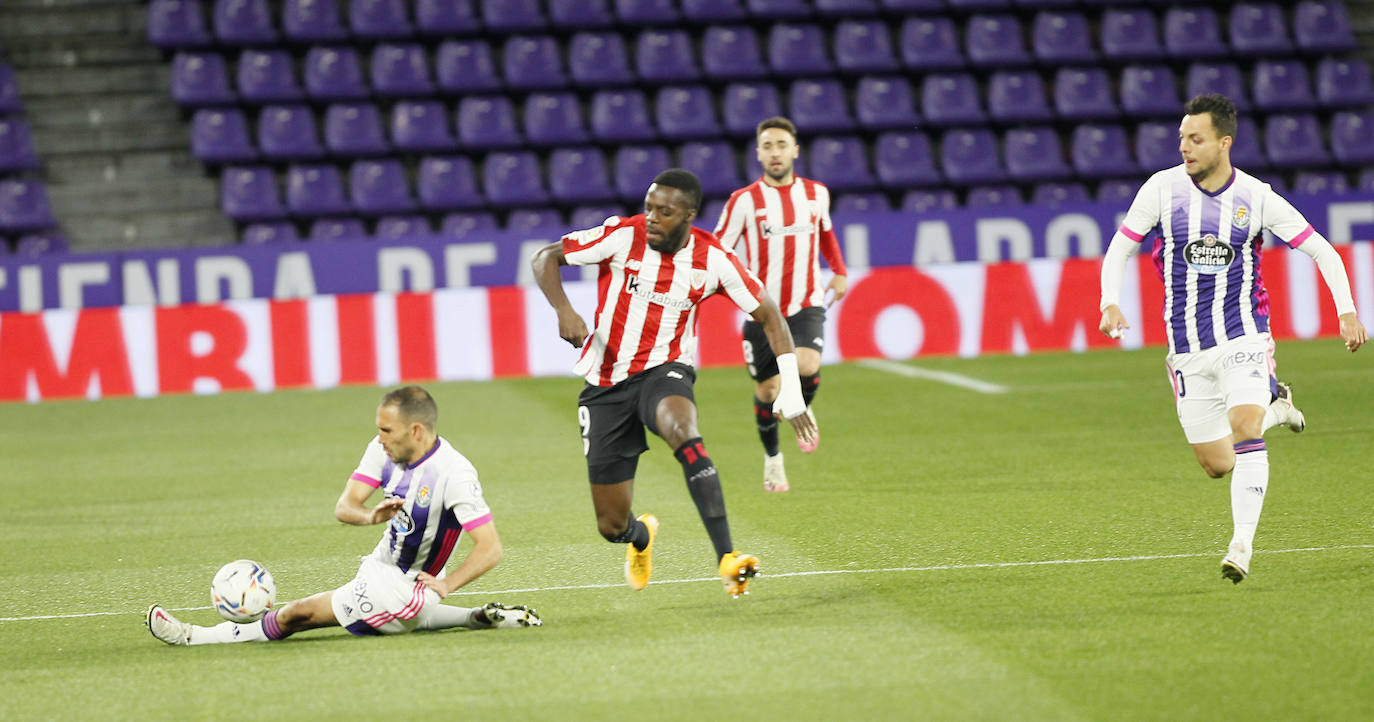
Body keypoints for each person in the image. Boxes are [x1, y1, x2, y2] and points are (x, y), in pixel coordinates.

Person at [1098, 94, 1366, 584]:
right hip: (1187, 349)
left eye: (1195, 139)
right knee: (1217, 464)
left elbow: (1324, 251)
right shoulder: (1161, 189)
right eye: (1181, 137)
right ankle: (1278, 407)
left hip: (1243, 333)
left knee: (1244, 427)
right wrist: (1109, 301)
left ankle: (1240, 546)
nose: (1184, 147)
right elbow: (1119, 249)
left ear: (1225, 142)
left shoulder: (1257, 197)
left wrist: (1346, 312)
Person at [530, 168, 816, 598]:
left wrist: (790, 387)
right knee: (611, 526)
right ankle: (640, 537)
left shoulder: (712, 259)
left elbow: (769, 315)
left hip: (665, 370)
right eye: (648, 207)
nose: (651, 218)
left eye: (663, 212)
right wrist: (563, 310)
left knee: (683, 431)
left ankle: (728, 558)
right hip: (605, 384)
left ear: (688, 215)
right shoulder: (621, 236)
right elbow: (545, 256)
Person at [146, 386, 541, 646]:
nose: (380, 438)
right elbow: (345, 506)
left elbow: (490, 549)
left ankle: (193, 636)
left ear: (416, 431)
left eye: (388, 430)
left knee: (297, 615)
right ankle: (475, 618)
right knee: (312, 614)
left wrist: (444, 585)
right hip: (378, 567)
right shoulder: (385, 449)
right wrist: (371, 517)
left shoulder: (453, 474)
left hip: (403, 589)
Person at [714, 116, 848, 493]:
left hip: (805, 302)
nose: (775, 153)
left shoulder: (816, 193)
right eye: (768, 146)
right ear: (758, 153)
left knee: (807, 363)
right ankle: (773, 458)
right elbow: (720, 248)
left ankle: (801, 405)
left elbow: (826, 233)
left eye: (782, 145)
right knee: (767, 393)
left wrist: (838, 271)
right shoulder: (743, 202)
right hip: (761, 309)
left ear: (795, 150)